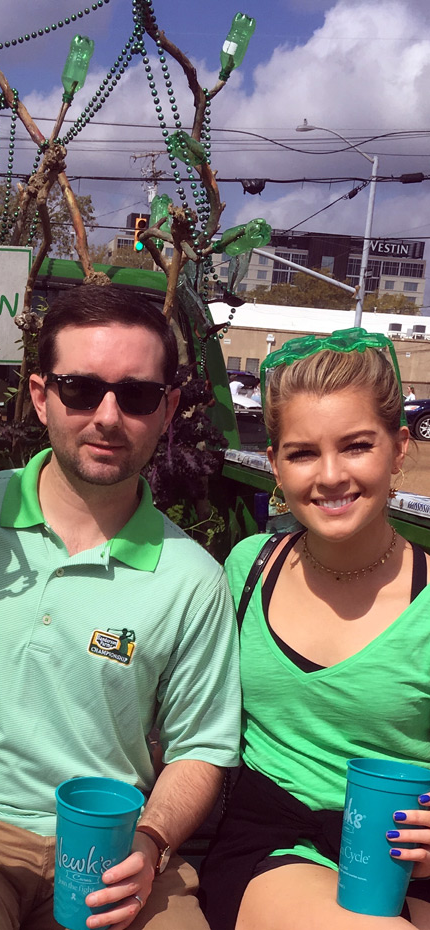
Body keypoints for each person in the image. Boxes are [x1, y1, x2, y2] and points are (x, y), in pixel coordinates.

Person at [0, 284, 241, 930]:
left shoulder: (193, 580)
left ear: (170, 407)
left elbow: (200, 746)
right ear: (40, 396)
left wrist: (150, 844)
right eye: (81, 389)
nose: (108, 416)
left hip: (112, 841)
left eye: (138, 395)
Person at [199, 328, 430, 930]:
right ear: (273, 464)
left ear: (398, 448)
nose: (330, 476)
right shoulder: (247, 568)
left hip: (407, 860)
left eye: (356, 446)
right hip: (274, 850)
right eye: (302, 453)